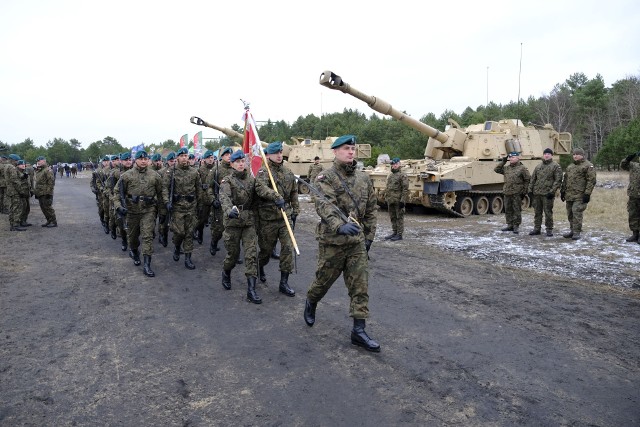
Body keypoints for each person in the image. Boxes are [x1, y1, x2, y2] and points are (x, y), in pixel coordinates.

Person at [303, 134, 380, 352]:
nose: (351, 152)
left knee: (360, 286)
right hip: (333, 242)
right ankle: (311, 301)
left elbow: (372, 210)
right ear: (335, 151)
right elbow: (324, 204)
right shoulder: (325, 177)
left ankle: (359, 330)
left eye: (353, 149)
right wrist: (339, 225)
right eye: (346, 148)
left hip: (356, 243)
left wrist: (369, 237)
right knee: (322, 282)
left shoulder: (364, 179)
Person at [219, 150, 282, 303]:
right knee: (232, 256)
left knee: (251, 255)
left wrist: (276, 197)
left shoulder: (252, 180)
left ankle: (251, 290)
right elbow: (224, 197)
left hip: (248, 222)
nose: (241, 164)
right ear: (232, 164)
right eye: (237, 162)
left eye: (243, 161)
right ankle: (226, 272)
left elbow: (263, 190)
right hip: (233, 223)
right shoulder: (227, 181)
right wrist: (229, 210)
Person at [255, 141, 298, 297]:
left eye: (280, 153)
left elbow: (294, 192)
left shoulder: (288, 172)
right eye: (276, 153)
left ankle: (284, 282)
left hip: (284, 217)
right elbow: (260, 188)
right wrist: (275, 196)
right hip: (268, 219)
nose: (279, 156)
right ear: (269, 155)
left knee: (287, 249)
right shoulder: (263, 172)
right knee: (266, 251)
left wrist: (296, 210)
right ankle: (260, 266)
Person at [116, 150, 164, 276]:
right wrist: (118, 207)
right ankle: (134, 251)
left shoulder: (155, 176)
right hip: (132, 211)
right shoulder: (126, 176)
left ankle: (147, 265)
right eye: (140, 159)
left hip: (149, 210)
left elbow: (161, 194)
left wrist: (163, 212)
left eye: (145, 159)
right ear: (135, 160)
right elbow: (116, 193)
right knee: (132, 238)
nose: (143, 161)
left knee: (147, 236)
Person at [164, 147, 203, 269]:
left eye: (186, 156)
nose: (184, 158)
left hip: (191, 207)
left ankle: (188, 258)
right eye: (182, 156)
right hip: (177, 207)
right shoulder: (171, 172)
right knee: (179, 232)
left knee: (189, 233)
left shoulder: (194, 172)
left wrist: (200, 205)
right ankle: (176, 247)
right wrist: (166, 202)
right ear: (177, 158)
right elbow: (165, 188)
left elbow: (199, 189)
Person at [560, 147, 596, 240]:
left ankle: (577, 232)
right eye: (574, 154)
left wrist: (587, 194)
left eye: (577, 154)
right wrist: (563, 191)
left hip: (580, 195)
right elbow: (566, 179)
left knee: (577, 213)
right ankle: (572, 230)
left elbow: (591, 181)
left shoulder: (588, 166)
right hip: (569, 195)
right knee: (570, 213)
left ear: (582, 155)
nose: (575, 156)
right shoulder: (570, 166)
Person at [527, 148, 563, 236]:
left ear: (551, 155)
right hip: (537, 193)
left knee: (548, 212)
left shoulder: (555, 166)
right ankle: (537, 228)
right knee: (537, 212)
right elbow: (533, 179)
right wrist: (530, 190)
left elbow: (558, 180)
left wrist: (552, 191)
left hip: (547, 194)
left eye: (548, 154)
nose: (546, 155)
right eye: (545, 154)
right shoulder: (538, 166)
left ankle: (549, 229)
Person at [206, 147, 234, 256]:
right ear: (222, 156)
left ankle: (233, 253)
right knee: (218, 230)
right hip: (219, 204)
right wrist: (213, 200)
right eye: (227, 154)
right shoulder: (216, 170)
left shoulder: (235, 169)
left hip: (232, 204)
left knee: (233, 230)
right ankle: (214, 242)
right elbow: (208, 187)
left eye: (230, 154)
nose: (229, 156)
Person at [494, 151, 530, 234]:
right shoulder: (507, 168)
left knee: (516, 209)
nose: (511, 159)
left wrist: (524, 191)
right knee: (508, 209)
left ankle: (516, 226)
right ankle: (510, 225)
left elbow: (527, 180)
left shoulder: (522, 168)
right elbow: (496, 169)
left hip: (517, 192)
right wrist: (503, 161)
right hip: (507, 192)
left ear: (518, 158)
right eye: (510, 157)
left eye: (513, 157)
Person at [384, 157, 409, 241]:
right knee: (393, 217)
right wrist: (386, 197)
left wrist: (403, 200)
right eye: (393, 164)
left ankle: (399, 234)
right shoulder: (391, 175)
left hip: (398, 200)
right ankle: (394, 232)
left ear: (399, 164)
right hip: (390, 200)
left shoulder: (402, 175)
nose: (394, 165)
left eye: (396, 164)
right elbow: (388, 188)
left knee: (399, 217)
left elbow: (405, 189)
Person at [194, 150, 215, 245]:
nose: (210, 160)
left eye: (212, 158)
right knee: (202, 219)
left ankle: (213, 242)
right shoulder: (200, 170)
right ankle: (200, 232)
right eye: (208, 158)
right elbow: (197, 184)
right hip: (203, 197)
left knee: (215, 220)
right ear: (205, 159)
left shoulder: (216, 168)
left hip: (214, 197)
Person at [620, 151, 640, 243]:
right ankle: (635, 234)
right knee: (633, 215)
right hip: (633, 195)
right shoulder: (634, 166)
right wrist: (627, 159)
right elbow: (623, 165)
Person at [34, 156, 57, 227]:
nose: (38, 162)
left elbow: (51, 182)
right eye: (37, 161)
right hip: (40, 193)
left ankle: (53, 222)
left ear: (44, 161)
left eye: (40, 161)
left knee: (48, 208)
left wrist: (49, 193)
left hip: (46, 193)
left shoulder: (47, 170)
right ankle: (49, 220)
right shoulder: (40, 170)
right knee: (43, 208)